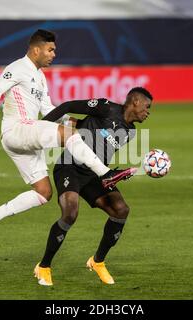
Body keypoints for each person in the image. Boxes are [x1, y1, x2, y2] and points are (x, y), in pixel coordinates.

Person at [0, 29, 135, 247]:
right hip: (17, 130)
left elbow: (48, 108)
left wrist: (75, 122)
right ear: (36, 49)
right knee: (68, 136)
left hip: (25, 138)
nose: (53, 54)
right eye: (50, 50)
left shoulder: (40, 77)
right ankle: (106, 174)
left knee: (43, 193)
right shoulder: (17, 68)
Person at [33, 87, 153, 286]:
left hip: (94, 174)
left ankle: (97, 262)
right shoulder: (106, 107)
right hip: (69, 166)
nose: (148, 112)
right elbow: (69, 106)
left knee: (121, 210)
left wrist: (114, 174)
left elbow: (93, 139)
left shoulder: (130, 132)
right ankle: (44, 266)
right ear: (135, 102)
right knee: (70, 213)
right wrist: (40, 125)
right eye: (147, 107)